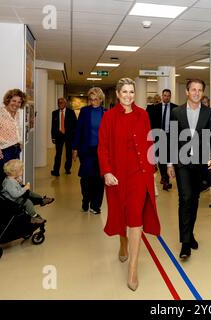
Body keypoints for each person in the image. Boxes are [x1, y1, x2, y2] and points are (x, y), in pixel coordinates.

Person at [98, 78, 160, 292]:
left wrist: (152, 172)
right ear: (117, 94)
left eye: (131, 92)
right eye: (124, 91)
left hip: (139, 175)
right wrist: (106, 171)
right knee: (120, 215)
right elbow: (103, 147)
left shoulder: (143, 114)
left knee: (135, 219)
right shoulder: (108, 117)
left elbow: (149, 142)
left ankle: (132, 269)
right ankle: (122, 243)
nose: (128, 95)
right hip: (116, 176)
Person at [167, 78, 211, 260]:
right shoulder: (176, 112)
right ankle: (185, 244)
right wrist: (169, 164)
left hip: (200, 163)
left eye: (200, 90)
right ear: (187, 92)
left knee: (194, 199)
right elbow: (171, 138)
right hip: (182, 163)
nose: (196, 93)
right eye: (193, 89)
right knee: (185, 198)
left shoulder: (209, 112)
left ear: (202, 93)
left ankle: (190, 234)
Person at [72, 87, 106, 214]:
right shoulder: (85, 111)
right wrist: (75, 148)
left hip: (101, 151)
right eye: (91, 99)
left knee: (99, 179)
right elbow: (79, 130)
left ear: (101, 99)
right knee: (86, 179)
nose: (93, 102)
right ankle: (86, 199)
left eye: (96, 99)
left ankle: (96, 206)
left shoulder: (106, 113)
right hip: (86, 150)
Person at [1, 159, 54, 224]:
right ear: (15, 172)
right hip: (12, 201)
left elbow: (16, 188)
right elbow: (15, 194)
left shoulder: (11, 179)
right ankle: (34, 216)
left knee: (29, 192)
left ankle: (42, 199)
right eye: (21, 169)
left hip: (14, 198)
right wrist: (25, 188)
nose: (23, 170)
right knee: (27, 202)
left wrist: (19, 183)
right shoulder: (10, 182)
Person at [146, 89, 177, 191]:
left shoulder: (175, 108)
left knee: (167, 157)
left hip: (170, 136)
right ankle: (165, 178)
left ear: (170, 96)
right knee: (161, 158)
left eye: (168, 96)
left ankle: (165, 180)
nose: (166, 97)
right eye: (165, 95)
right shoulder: (155, 108)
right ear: (162, 96)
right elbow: (150, 123)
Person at [51, 97, 77, 177]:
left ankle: (67, 169)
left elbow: (75, 124)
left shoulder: (71, 112)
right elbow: (53, 126)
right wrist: (53, 137)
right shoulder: (54, 113)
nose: (60, 104)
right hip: (59, 136)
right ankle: (56, 171)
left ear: (65, 104)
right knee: (58, 154)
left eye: (62, 102)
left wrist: (74, 136)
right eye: (59, 103)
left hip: (69, 136)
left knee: (68, 153)